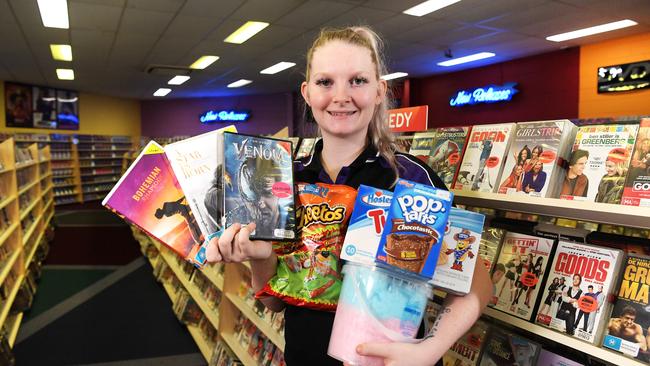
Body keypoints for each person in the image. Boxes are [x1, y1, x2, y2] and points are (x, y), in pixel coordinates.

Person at [205, 26, 491, 366]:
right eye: (326, 82)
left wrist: (429, 350)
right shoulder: (285, 178)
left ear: (380, 91)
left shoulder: (407, 177)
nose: (341, 96)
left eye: (357, 80)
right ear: (307, 93)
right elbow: (275, 302)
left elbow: (476, 283)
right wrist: (258, 256)